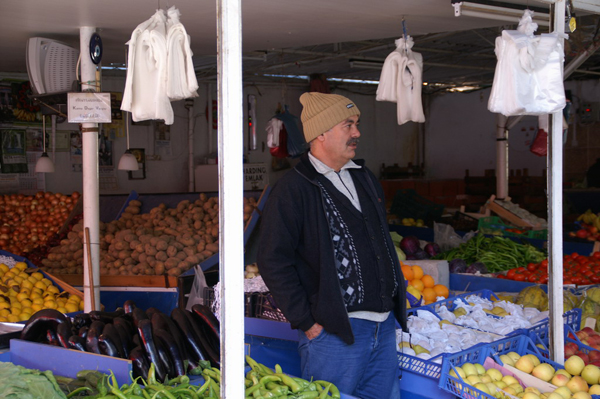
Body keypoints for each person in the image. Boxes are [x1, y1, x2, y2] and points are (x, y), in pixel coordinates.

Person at [257, 92, 407, 399]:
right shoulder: (293, 189)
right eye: (348, 125)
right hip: (335, 333)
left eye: (357, 124)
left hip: (383, 327)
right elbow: (273, 259)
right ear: (320, 133)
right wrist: (307, 323)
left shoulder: (364, 178)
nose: (357, 133)